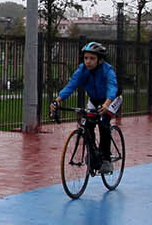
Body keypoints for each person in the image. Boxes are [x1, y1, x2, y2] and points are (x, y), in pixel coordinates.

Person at [50, 41, 121, 175]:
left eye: (92, 58)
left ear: (100, 60)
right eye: (86, 58)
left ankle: (106, 159)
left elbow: (112, 87)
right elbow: (70, 86)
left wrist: (106, 104)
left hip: (111, 98)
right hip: (94, 100)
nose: (88, 61)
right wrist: (57, 100)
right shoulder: (82, 70)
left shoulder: (107, 70)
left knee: (104, 123)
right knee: (88, 125)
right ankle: (93, 154)